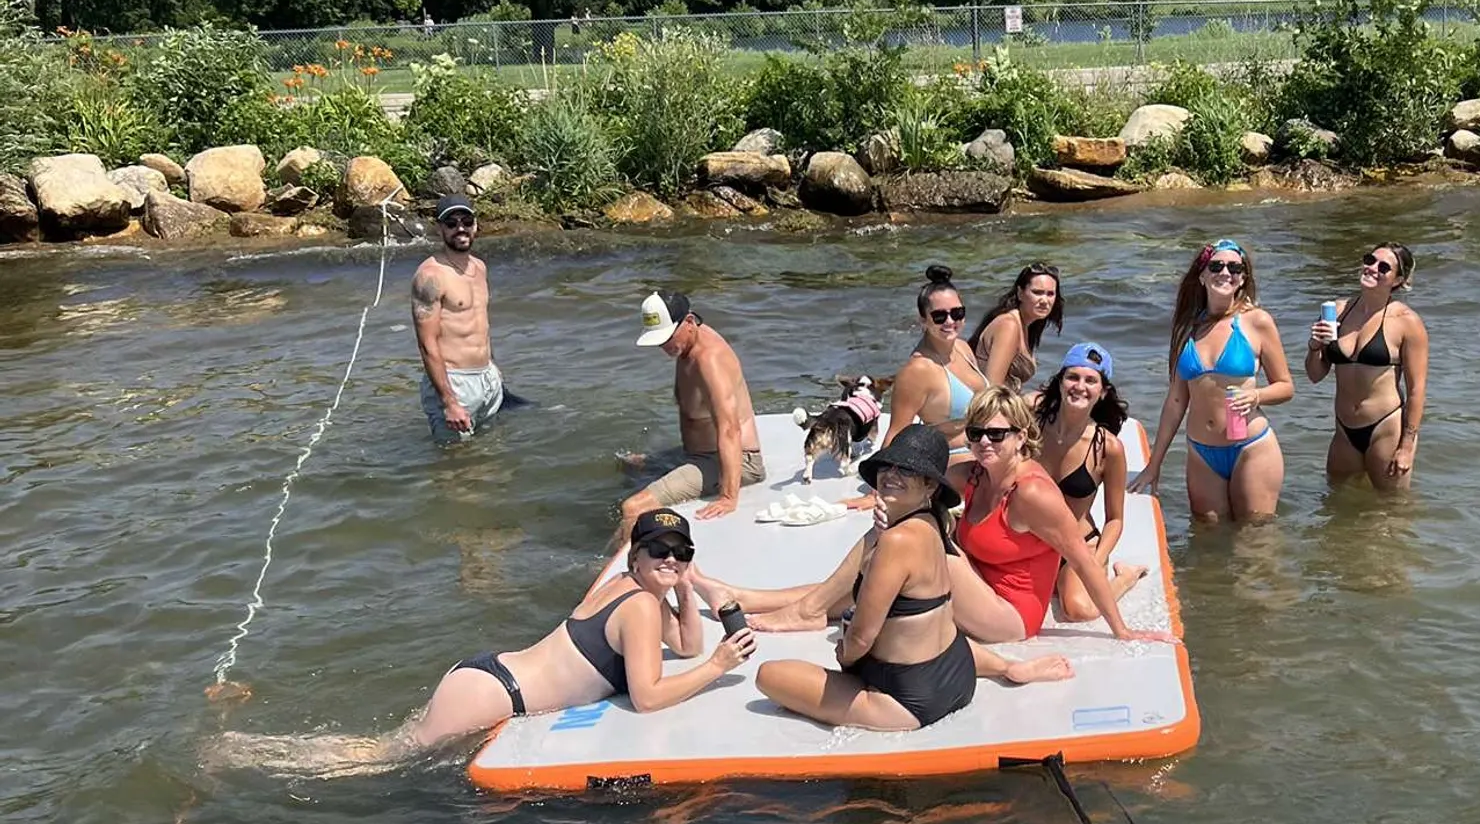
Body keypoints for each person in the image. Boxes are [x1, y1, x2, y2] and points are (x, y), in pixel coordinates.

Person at [213, 509, 754, 772]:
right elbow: (648, 697)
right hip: (495, 695)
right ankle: (243, 756)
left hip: (491, 677)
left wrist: (688, 586)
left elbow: (683, 644)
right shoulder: (638, 606)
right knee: (377, 758)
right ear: (635, 557)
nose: (669, 560)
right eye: (658, 551)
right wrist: (718, 665)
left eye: (679, 553)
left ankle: (246, 751)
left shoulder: (630, 588)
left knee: (383, 746)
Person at [741, 427, 1070, 733]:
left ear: (930, 486)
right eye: (889, 467)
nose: (892, 475)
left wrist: (846, 658)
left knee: (769, 676)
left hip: (907, 700)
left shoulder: (897, 542)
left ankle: (1003, 669)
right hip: (958, 675)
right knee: (931, 624)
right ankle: (1006, 668)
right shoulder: (932, 525)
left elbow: (862, 637)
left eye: (908, 470)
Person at [953, 387, 1139, 642]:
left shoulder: (1032, 493)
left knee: (930, 549)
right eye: (976, 433)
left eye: (996, 434)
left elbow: (1083, 561)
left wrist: (1122, 631)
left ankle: (1126, 578)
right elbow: (921, 481)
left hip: (1012, 614)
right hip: (981, 588)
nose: (985, 442)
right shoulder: (974, 475)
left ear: (1020, 438)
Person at [1133, 237, 1292, 523]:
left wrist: (1255, 396)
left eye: (1235, 268)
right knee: (1206, 540)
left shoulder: (1257, 322)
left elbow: (1286, 386)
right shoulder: (1187, 328)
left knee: (1254, 542)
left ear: (1243, 279)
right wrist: (1153, 464)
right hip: (1201, 452)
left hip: (1251, 446)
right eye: (1216, 265)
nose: (1225, 273)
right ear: (1203, 275)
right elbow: (1176, 401)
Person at [617, 290, 766, 538]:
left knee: (632, 508)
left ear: (688, 322)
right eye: (658, 340)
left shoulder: (710, 360)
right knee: (631, 463)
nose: (664, 347)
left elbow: (730, 428)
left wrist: (728, 497)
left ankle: (623, 570)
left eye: (667, 338)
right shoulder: (687, 345)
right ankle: (622, 543)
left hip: (735, 461)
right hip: (698, 454)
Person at [1034, 341, 1148, 621]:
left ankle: (1125, 578)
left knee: (1079, 610)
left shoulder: (1107, 448)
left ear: (1103, 391)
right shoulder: (1032, 427)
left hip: (1079, 543)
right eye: (1073, 377)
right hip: (1033, 538)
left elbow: (1115, 519)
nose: (1080, 386)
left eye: (1091, 380)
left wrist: (1094, 563)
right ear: (1060, 381)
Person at [1305, 241, 1428, 489]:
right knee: (1335, 505)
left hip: (1386, 428)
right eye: (1369, 260)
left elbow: (1416, 391)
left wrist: (1406, 447)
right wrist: (1314, 346)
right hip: (1343, 430)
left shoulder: (1407, 322)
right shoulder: (1338, 311)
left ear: (1397, 280)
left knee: (1391, 513)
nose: (1372, 268)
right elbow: (1315, 375)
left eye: (1383, 267)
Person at [412, 197, 504, 443]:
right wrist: (449, 401)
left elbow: (481, 323)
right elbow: (427, 344)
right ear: (440, 228)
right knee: (454, 466)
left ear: (476, 225)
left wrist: (493, 369)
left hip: (487, 378)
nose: (460, 228)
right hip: (455, 382)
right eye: (451, 223)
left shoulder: (480, 267)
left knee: (489, 455)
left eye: (467, 221)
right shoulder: (430, 276)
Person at [883, 265, 988, 448]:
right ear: (923, 320)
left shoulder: (962, 348)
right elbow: (894, 437)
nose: (950, 321)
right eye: (939, 316)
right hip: (953, 460)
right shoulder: (918, 371)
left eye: (957, 313)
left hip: (984, 451)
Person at [973, 263, 1064, 392]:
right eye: (1037, 292)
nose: (1044, 300)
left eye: (1050, 294)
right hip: (991, 407)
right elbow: (993, 389)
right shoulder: (1009, 325)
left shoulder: (1025, 325)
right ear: (1020, 293)